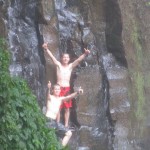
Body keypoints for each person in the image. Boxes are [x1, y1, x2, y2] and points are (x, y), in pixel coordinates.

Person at [43, 42, 90, 127]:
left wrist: (85, 54)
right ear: (62, 59)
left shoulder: (70, 66)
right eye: (64, 57)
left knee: (67, 108)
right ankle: (56, 124)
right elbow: (52, 57)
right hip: (58, 88)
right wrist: (46, 49)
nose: (65, 59)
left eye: (67, 57)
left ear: (69, 59)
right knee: (58, 107)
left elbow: (78, 60)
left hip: (67, 89)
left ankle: (66, 125)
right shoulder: (58, 65)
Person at [46, 81, 83, 147]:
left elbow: (69, 97)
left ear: (60, 90)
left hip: (54, 123)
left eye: (58, 89)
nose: (57, 90)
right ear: (53, 90)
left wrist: (77, 92)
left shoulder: (60, 99)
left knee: (69, 133)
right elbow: (48, 95)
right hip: (48, 120)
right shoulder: (50, 97)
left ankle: (60, 148)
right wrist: (48, 88)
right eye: (55, 89)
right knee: (51, 138)